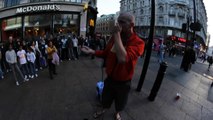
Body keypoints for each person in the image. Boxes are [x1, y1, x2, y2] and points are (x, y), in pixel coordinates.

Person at [81, 12, 145, 120]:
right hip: (110, 78)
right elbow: (106, 53)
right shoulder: (113, 38)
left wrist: (116, 34)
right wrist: (93, 52)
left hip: (124, 82)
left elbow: (123, 58)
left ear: (131, 25)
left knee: (120, 102)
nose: (117, 24)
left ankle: (117, 113)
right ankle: (103, 108)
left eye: (122, 22)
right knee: (105, 98)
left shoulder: (138, 43)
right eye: (117, 21)